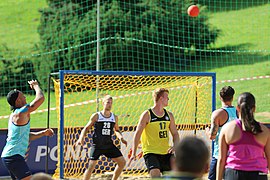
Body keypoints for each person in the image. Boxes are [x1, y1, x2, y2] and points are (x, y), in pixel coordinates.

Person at [1, 80, 54, 180]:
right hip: (13, 156)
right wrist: (36, 86)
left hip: (11, 156)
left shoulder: (17, 114)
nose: (25, 97)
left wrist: (43, 133)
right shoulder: (20, 113)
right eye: (22, 96)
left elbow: (26, 136)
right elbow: (40, 99)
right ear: (18, 101)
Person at [217, 92, 270, 180]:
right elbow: (269, 157)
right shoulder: (264, 131)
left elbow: (221, 159)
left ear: (237, 108)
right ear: (254, 109)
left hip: (233, 173)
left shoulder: (228, 128)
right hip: (258, 174)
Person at [129, 88, 180, 178]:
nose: (168, 99)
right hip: (151, 152)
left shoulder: (169, 115)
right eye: (167, 97)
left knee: (173, 177)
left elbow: (175, 134)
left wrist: (175, 145)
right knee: (155, 175)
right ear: (161, 98)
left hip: (166, 152)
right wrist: (134, 153)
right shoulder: (147, 114)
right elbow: (137, 134)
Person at [76, 95, 127, 180]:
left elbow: (116, 130)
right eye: (107, 102)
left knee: (122, 162)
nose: (109, 104)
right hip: (97, 145)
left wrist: (121, 138)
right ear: (103, 103)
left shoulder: (114, 117)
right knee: (91, 166)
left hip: (108, 145)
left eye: (111, 103)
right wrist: (81, 138)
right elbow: (86, 128)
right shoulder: (96, 116)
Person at [205, 86, 238, 180]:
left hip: (219, 154)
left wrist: (207, 131)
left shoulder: (217, 114)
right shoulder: (238, 112)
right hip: (234, 154)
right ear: (232, 97)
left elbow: (212, 136)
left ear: (220, 98)